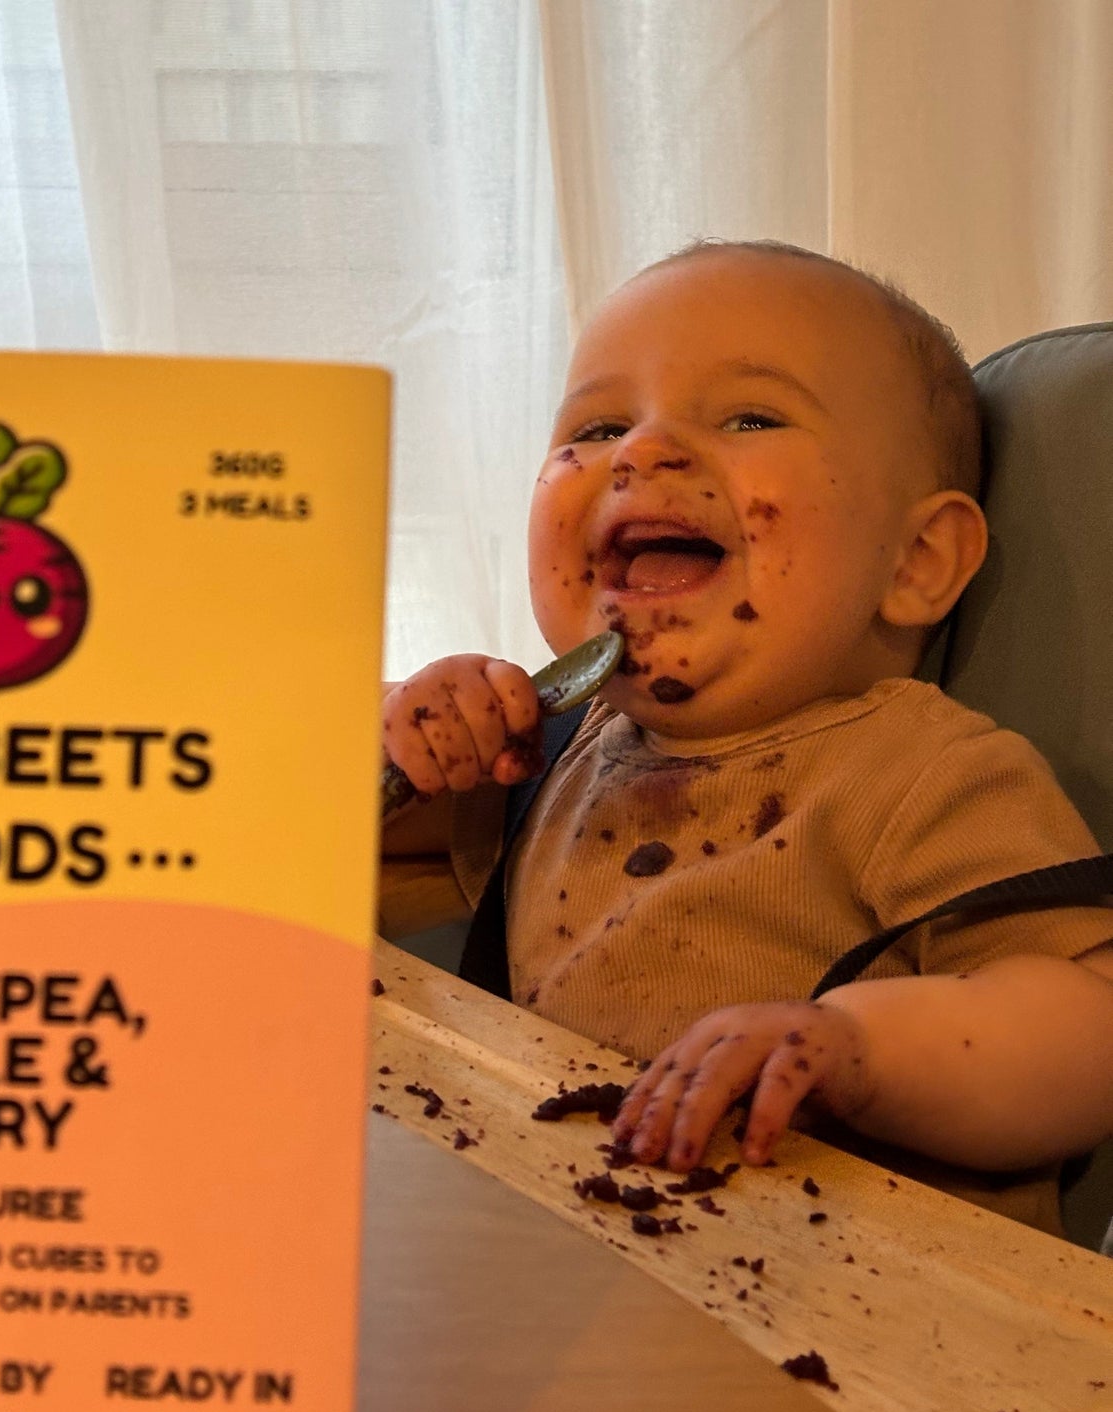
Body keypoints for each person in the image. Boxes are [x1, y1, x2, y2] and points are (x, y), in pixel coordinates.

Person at [381, 239, 1113, 1231]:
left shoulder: (917, 770)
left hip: (869, 1306)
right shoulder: (556, 749)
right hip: (596, 1253)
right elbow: (294, 837)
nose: (639, 450)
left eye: (748, 416)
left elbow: (1084, 1023)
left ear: (916, 560)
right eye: (595, 426)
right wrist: (417, 742)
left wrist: (856, 1052)